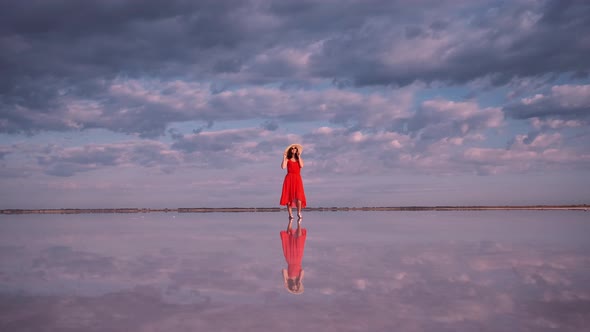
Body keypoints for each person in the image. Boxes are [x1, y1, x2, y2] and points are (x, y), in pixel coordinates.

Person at [280, 144, 307, 220]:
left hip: (297, 178)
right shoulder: (288, 159)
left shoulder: (299, 159)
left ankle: (299, 212)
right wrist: (284, 158)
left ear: (297, 150)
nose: (294, 150)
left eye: (295, 148)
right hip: (289, 178)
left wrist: (299, 156)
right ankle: (290, 214)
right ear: (290, 150)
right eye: (292, 149)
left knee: (299, 197)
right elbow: (283, 167)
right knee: (289, 197)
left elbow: (301, 165)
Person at [280, 217, 306, 295]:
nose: (294, 287)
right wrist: (300, 281)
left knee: (288, 239)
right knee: (299, 240)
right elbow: (303, 271)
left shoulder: (288, 279)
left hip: (290, 259)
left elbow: (284, 270)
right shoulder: (299, 279)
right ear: (298, 286)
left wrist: (285, 281)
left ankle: (290, 222)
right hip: (298, 258)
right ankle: (299, 224)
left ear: (291, 286)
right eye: (296, 288)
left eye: (293, 288)